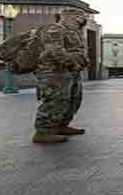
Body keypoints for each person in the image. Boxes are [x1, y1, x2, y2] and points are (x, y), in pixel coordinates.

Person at [33, 8, 89, 144]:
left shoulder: (73, 32)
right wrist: (74, 64)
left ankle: (60, 126)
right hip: (53, 73)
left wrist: (82, 61)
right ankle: (43, 132)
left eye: (81, 21)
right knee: (55, 101)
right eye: (76, 19)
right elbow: (55, 51)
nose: (79, 23)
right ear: (65, 17)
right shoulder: (54, 29)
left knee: (73, 100)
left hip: (70, 72)